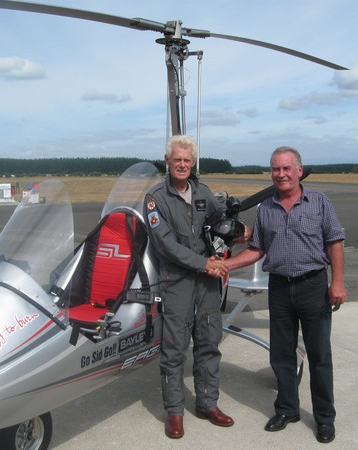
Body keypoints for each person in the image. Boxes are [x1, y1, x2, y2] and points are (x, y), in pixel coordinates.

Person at [224, 146, 346, 444]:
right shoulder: (266, 209)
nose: (281, 174)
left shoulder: (318, 202)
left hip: (313, 286)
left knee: (319, 356)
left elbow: (335, 242)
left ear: (299, 171)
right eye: (275, 169)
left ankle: (324, 419)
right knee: (281, 354)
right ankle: (287, 409)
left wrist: (338, 283)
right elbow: (257, 249)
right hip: (279, 288)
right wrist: (224, 264)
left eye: (286, 168)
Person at [143, 135, 241, 439]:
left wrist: (235, 229)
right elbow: (166, 245)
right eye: (177, 160)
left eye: (188, 160)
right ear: (168, 161)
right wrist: (204, 263)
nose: (183, 165)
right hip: (178, 282)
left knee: (210, 343)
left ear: (193, 162)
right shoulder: (156, 198)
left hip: (207, 283)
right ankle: (174, 411)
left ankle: (208, 403)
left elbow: (218, 216)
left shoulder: (202, 192)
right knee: (174, 349)